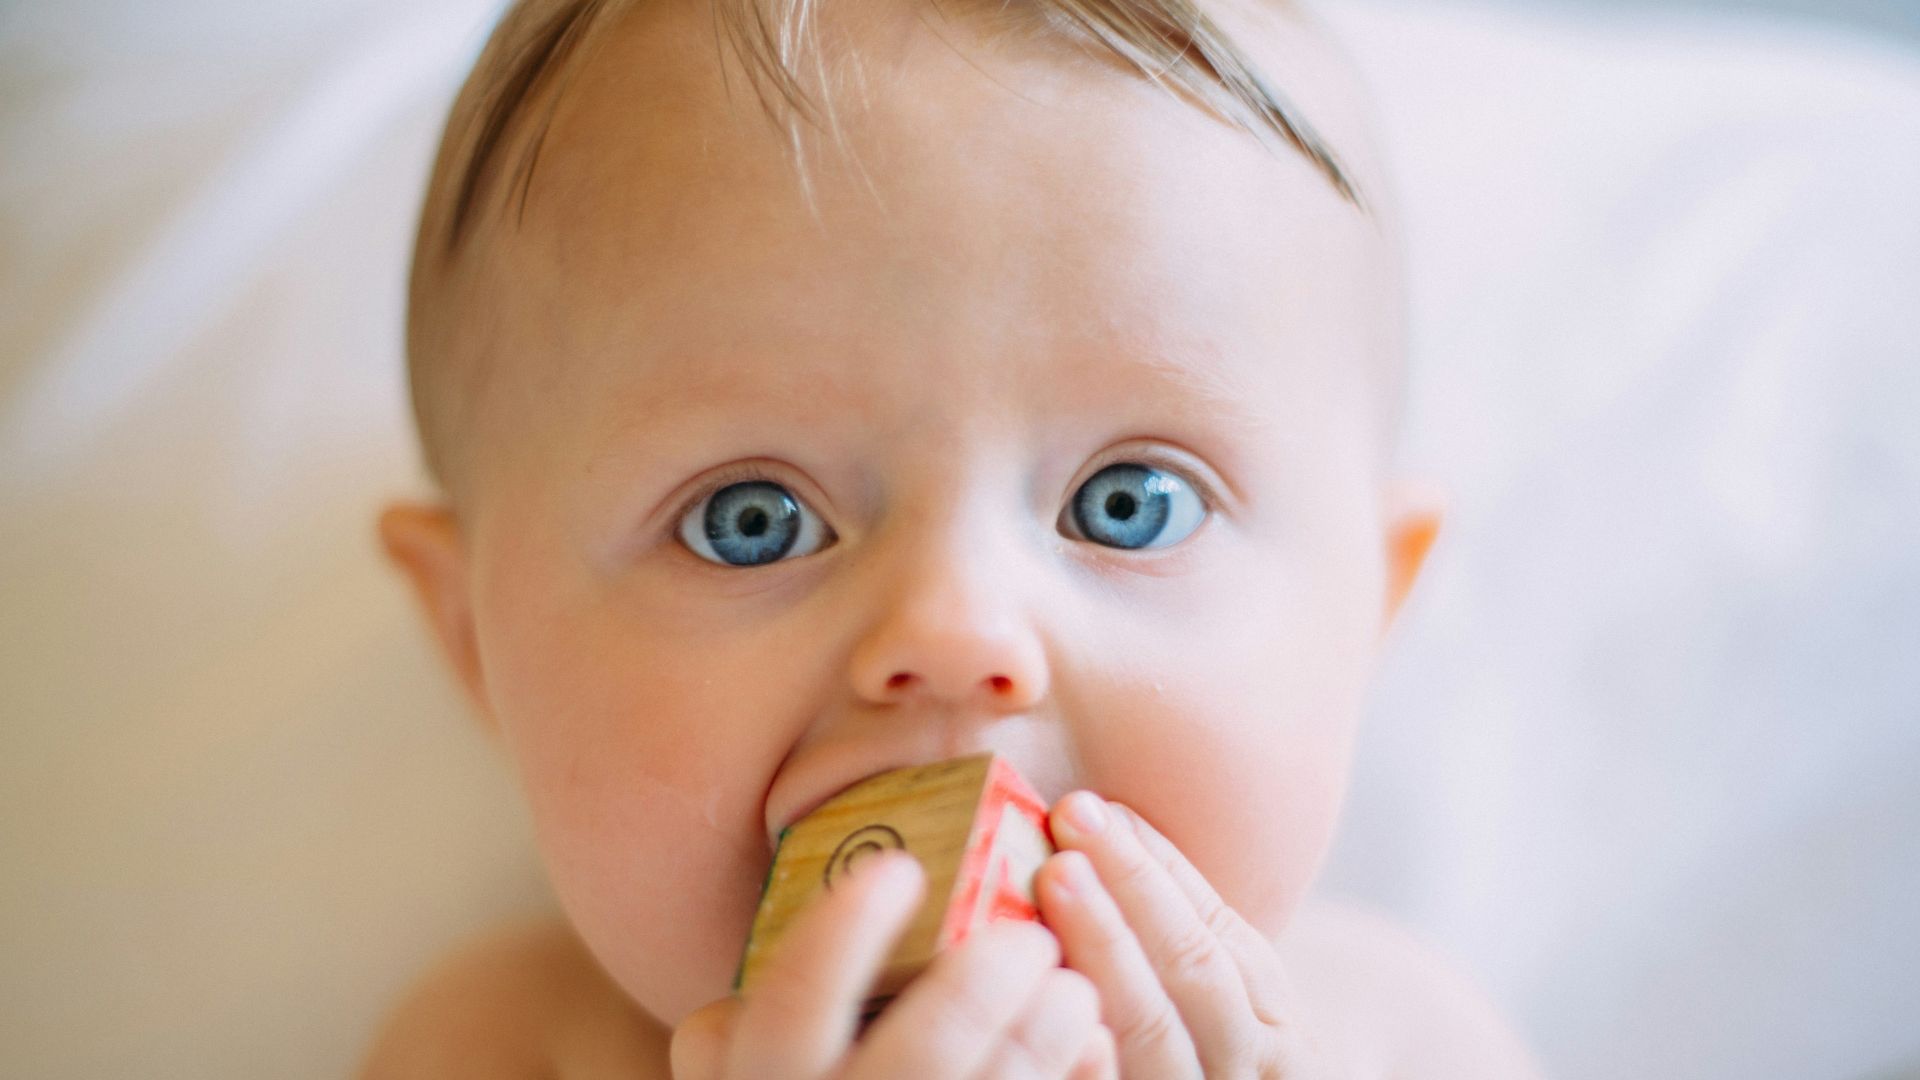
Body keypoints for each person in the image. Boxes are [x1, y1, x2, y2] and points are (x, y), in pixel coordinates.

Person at [362, 0, 1542, 1073]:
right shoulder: (491, 1050)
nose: (954, 628)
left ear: (1365, 619)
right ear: (480, 643)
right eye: (752, 523)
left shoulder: (1407, 1043)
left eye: (1130, 501)